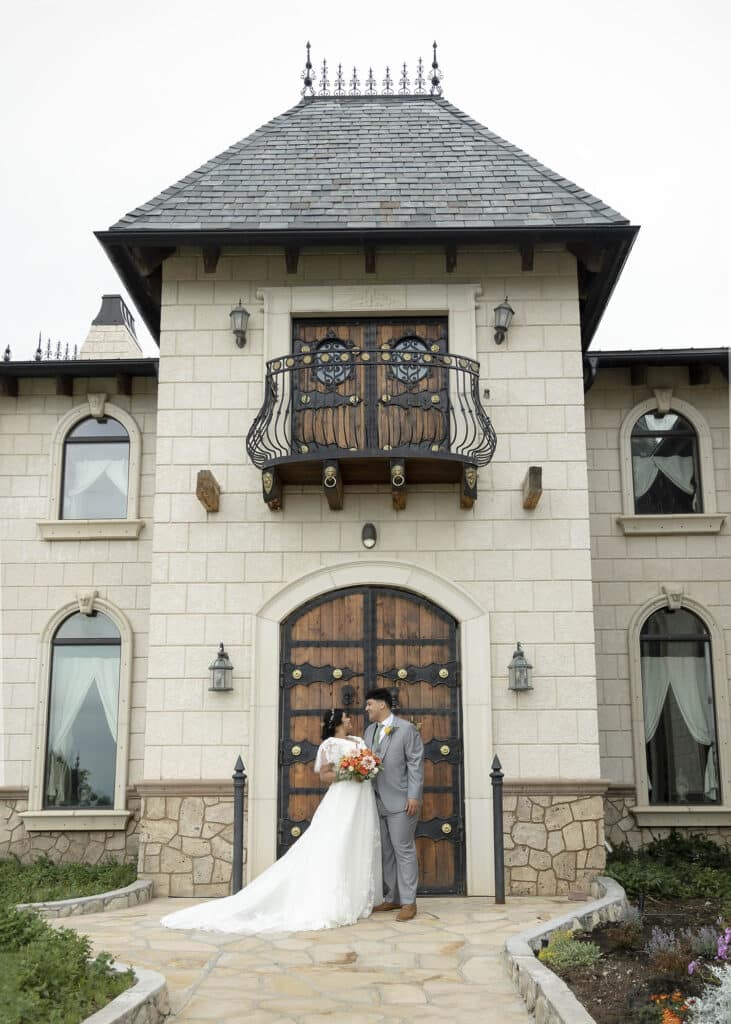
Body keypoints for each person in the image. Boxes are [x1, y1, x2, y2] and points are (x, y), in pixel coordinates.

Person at [160, 709, 382, 933]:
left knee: (357, 840)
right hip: (343, 797)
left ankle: (356, 897)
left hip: (360, 798)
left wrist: (366, 769)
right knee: (336, 842)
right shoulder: (329, 745)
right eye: (347, 717)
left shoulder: (358, 741)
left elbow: (367, 763)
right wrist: (350, 773)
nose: (351, 720)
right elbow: (324, 775)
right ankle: (333, 897)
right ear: (337, 722)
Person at [365, 687, 425, 921]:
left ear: (382, 705)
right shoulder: (370, 731)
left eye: (369, 704)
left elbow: (415, 764)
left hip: (401, 800)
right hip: (375, 799)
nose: (367, 709)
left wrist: (413, 795)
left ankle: (409, 902)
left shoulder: (406, 729)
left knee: (404, 850)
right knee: (386, 852)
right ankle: (392, 898)